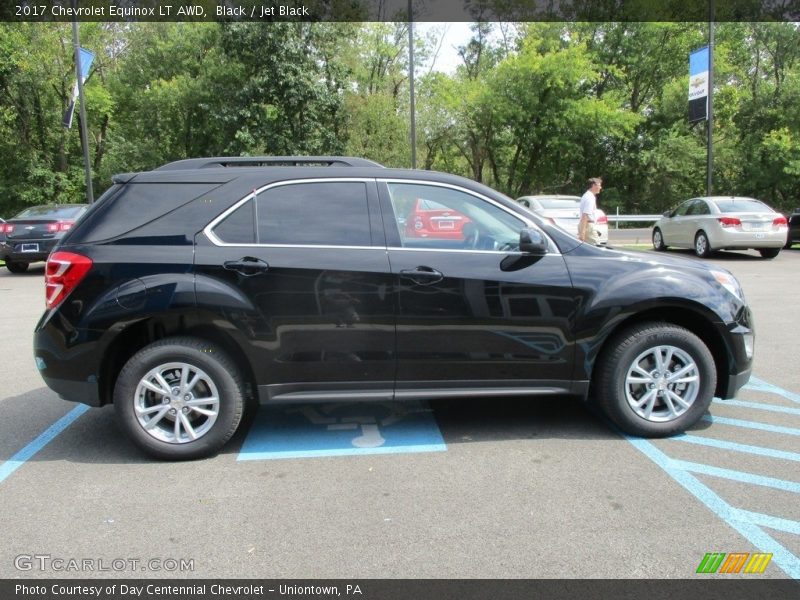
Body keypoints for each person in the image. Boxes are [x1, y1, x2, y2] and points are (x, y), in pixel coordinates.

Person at [578, 177, 602, 244]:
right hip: (588, 226)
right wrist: (583, 233)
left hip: (587, 226)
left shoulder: (588, 195)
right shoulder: (590, 197)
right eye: (599, 185)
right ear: (593, 185)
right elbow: (585, 215)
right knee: (597, 249)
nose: (600, 187)